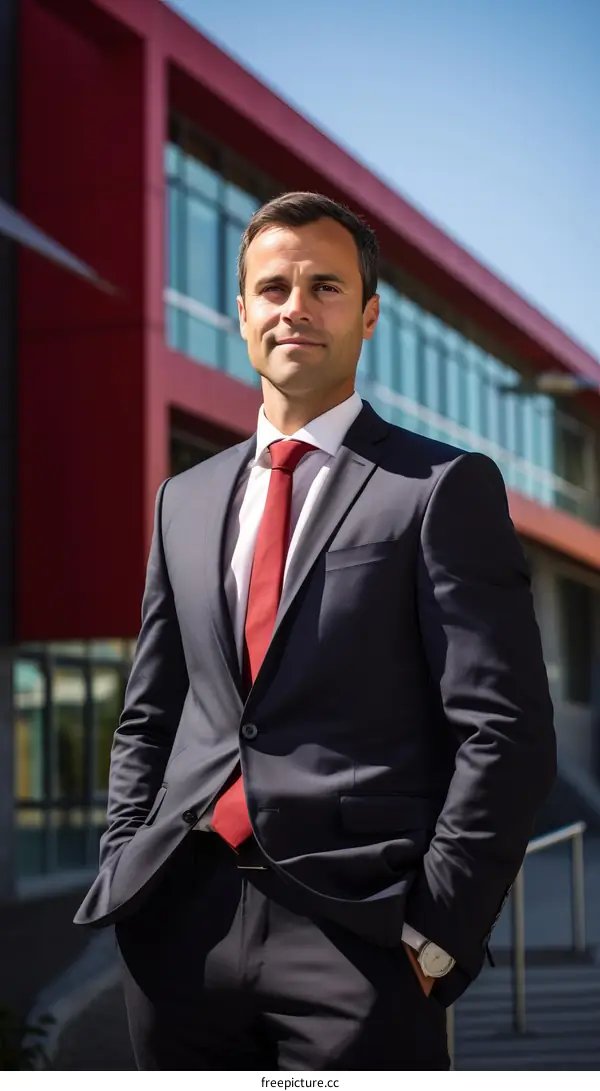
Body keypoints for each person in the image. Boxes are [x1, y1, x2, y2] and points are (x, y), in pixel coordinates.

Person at [75, 191, 556, 1071]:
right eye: (272, 288)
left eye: (325, 286)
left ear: (368, 315)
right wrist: (126, 865)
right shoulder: (182, 501)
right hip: (180, 928)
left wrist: (437, 929)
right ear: (242, 313)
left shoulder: (440, 487)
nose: (295, 306)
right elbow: (151, 712)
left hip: (359, 938)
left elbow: (506, 733)